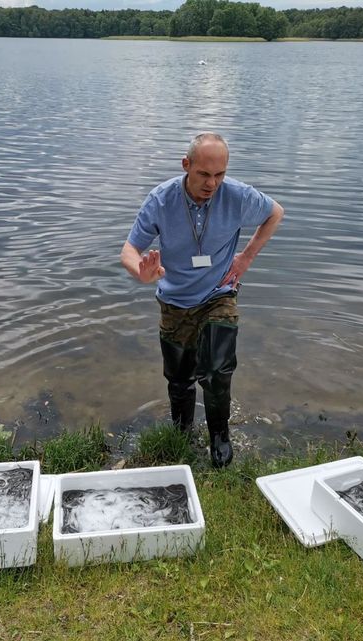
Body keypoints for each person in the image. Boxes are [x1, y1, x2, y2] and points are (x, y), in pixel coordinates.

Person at [120, 132, 284, 468]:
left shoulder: (237, 196)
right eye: (204, 174)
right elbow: (129, 249)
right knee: (179, 378)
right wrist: (141, 272)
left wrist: (245, 258)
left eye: (219, 175)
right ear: (186, 166)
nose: (212, 184)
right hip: (175, 300)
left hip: (218, 294)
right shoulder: (161, 200)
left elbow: (275, 213)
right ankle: (181, 434)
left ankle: (220, 438)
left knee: (218, 369)